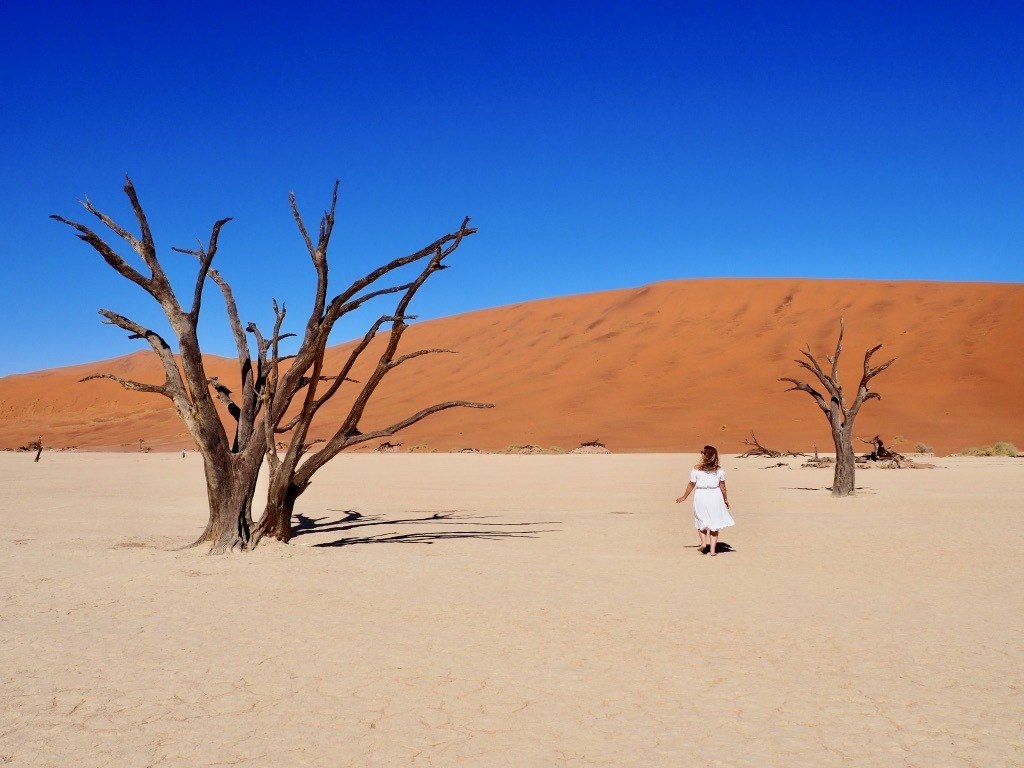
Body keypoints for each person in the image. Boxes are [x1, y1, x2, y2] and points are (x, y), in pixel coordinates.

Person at [675, 445, 734, 555]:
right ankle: (712, 550)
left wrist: (684, 496)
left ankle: (703, 543)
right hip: (715, 495)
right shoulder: (719, 470)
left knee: (701, 519)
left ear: (705, 455)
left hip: (701, 495)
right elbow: (723, 487)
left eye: (702, 452)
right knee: (714, 523)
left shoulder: (696, 469)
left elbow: (691, 484)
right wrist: (725, 499)